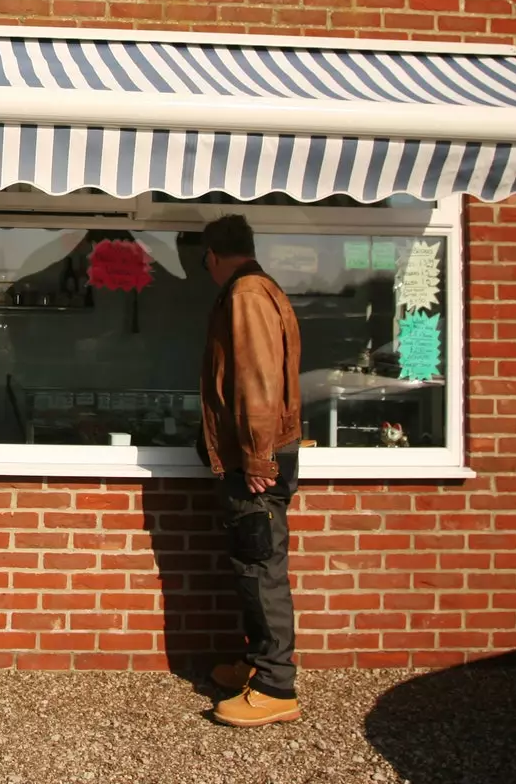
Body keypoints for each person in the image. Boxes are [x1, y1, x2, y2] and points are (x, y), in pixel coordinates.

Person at [196, 214, 304, 727]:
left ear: (213, 256)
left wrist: (258, 454)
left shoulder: (245, 294)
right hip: (256, 453)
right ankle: (257, 664)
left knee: (260, 569)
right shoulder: (258, 289)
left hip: (256, 459)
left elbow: (256, 377)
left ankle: (275, 686)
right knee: (252, 562)